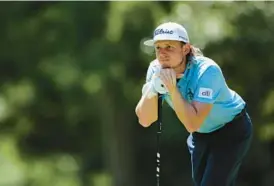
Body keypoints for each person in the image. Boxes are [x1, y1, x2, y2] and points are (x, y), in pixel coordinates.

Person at [135, 22, 253, 186]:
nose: (162, 54)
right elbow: (145, 119)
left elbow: (192, 123)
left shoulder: (207, 71)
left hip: (231, 130)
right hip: (201, 136)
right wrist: (153, 88)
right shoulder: (155, 69)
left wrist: (172, 89)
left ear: (186, 49)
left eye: (169, 47)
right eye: (158, 48)